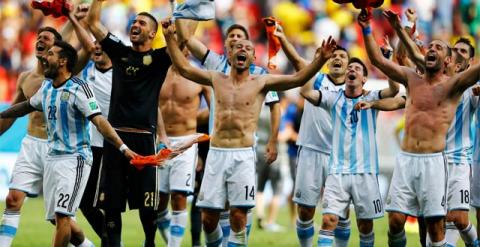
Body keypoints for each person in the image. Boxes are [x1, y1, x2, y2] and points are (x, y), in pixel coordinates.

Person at [162, 19, 336, 247]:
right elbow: (184, 68)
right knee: (208, 220)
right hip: (216, 153)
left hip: (243, 155)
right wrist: (167, 37)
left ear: (254, 58)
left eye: (247, 48)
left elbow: (298, 79)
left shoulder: (261, 81)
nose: (242, 49)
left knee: (238, 217)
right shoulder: (216, 77)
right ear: (229, 54)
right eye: (237, 47)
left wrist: (320, 59)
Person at [359, 9, 480, 246]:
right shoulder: (411, 78)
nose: (432, 49)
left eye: (438, 48)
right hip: (405, 160)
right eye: (430, 46)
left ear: (448, 61)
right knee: (394, 221)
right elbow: (377, 60)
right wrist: (365, 28)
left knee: (437, 228)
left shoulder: (453, 86)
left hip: (436, 161)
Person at [0, 40, 136, 247]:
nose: (45, 57)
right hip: (52, 158)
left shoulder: (79, 88)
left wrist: (123, 148)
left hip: (75, 159)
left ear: (63, 61)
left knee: (63, 217)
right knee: (56, 218)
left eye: (51, 54)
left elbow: (99, 120)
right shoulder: (46, 87)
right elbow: (27, 106)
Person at [175, 17, 281, 245]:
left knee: (238, 208)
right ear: (226, 46)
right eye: (232, 37)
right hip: (215, 144)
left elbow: (275, 106)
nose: (236, 40)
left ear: (250, 49)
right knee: (211, 211)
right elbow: (186, 40)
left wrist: (274, 139)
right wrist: (184, 14)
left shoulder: (259, 74)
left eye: (241, 38)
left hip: (244, 147)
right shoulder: (215, 64)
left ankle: (237, 240)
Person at [87, 0, 172, 246]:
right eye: (134, 21)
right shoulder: (119, 51)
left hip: (145, 138)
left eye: (142, 22)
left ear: (152, 33)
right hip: (115, 139)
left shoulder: (159, 59)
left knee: (148, 207)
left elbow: (184, 42)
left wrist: (180, 22)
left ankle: (149, 242)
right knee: (111, 206)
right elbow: (92, 23)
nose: (135, 24)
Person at [301, 57, 398, 247]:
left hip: (366, 173)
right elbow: (305, 92)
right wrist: (315, 63)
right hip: (337, 172)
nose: (352, 70)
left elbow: (394, 90)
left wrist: (386, 62)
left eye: (357, 69)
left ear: (363, 79)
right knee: (329, 221)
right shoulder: (332, 98)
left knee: (365, 225)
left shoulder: (372, 98)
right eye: (350, 68)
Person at [275, 26, 353, 247]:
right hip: (310, 150)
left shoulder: (354, 89)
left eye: (342, 56)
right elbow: (298, 61)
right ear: (327, 61)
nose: (337, 58)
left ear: (348, 66)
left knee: (337, 214)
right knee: (306, 210)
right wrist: (282, 37)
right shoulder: (317, 80)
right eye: (334, 55)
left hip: (340, 157)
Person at [156, 46, 210, 247]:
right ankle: (170, 238)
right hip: (160, 142)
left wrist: (204, 150)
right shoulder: (158, 73)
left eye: (185, 46)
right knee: (159, 202)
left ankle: (174, 245)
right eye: (177, 46)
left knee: (179, 197)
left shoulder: (199, 76)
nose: (181, 50)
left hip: (187, 142)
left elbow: (214, 114)